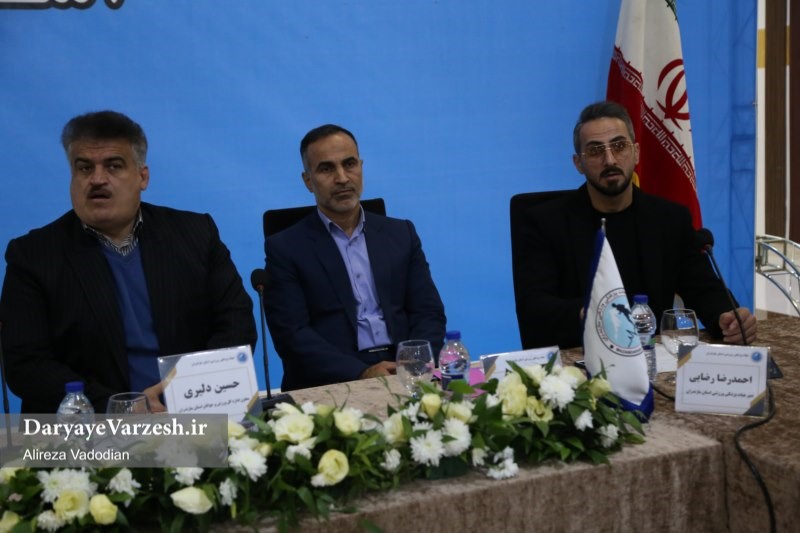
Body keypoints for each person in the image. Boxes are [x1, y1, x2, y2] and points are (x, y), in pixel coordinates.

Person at [0, 111, 257, 413]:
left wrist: (186, 394)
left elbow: (236, 322)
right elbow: (26, 364)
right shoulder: (33, 255)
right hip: (91, 429)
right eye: (84, 168)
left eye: (113, 166)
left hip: (192, 414)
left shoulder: (196, 234)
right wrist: (121, 407)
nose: (97, 179)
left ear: (142, 176)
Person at [516, 100, 757, 349]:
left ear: (636, 152)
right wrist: (594, 313)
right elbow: (534, 306)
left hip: (654, 358)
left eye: (619, 146)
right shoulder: (545, 223)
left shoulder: (669, 219)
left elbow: (703, 288)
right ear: (578, 163)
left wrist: (727, 318)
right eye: (596, 151)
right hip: (578, 360)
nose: (610, 159)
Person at [264, 124, 446, 391]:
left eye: (349, 164)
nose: (342, 178)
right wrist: (360, 373)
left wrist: (412, 364)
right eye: (326, 169)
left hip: (405, 370)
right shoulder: (285, 248)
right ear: (308, 181)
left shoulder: (401, 233)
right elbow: (292, 335)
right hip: (334, 380)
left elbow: (428, 312)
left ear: (361, 167)